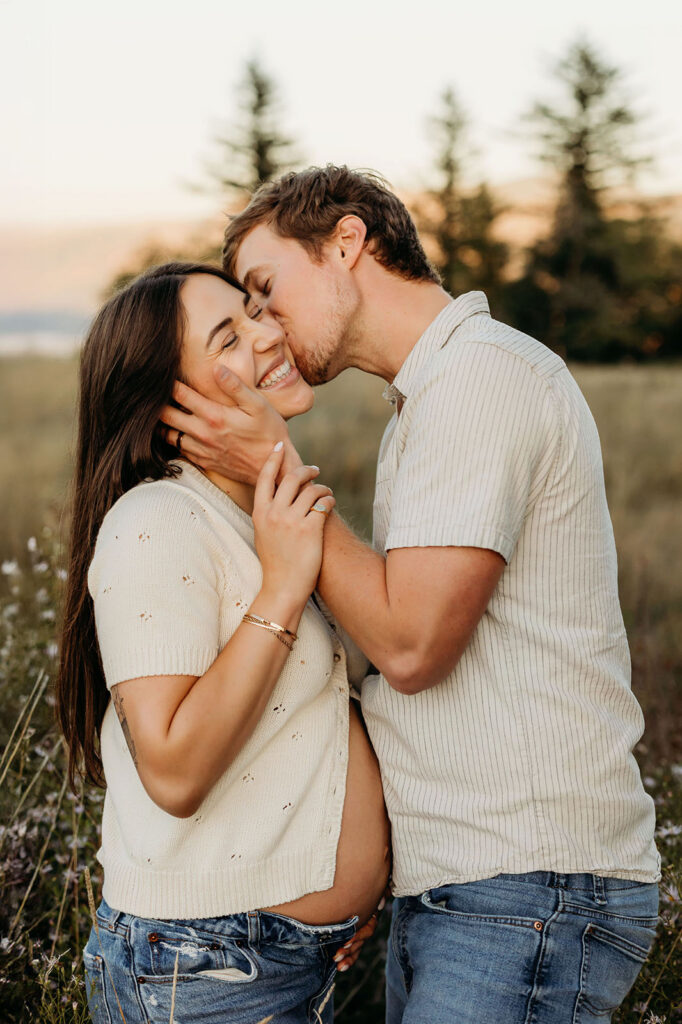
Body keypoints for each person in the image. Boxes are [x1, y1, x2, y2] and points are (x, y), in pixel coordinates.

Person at [160, 166, 661, 1023]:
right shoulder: (429, 401)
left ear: (347, 243)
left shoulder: (477, 379)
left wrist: (268, 468)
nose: (264, 329)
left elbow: (412, 646)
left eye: (266, 289)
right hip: (475, 884)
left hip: (524, 885)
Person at [56, 262, 390, 1024]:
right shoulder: (158, 524)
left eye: (254, 314)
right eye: (229, 338)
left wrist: (359, 880)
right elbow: (174, 770)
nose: (268, 334)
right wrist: (280, 589)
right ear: (168, 407)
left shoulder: (262, 515)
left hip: (292, 956)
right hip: (206, 969)